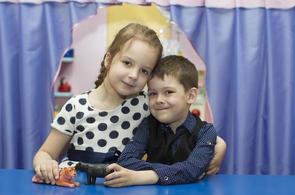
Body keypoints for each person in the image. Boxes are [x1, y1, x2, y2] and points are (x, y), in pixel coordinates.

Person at [33, 23, 226, 185]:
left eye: (144, 71)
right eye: (127, 63)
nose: (134, 75)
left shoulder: (148, 105)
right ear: (109, 59)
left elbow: (197, 132)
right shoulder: (76, 106)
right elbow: (45, 152)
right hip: (75, 189)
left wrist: (221, 146)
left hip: (125, 190)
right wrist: (45, 163)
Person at [104, 55, 221, 187]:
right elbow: (125, 161)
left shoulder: (206, 132)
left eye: (168, 92)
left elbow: (192, 170)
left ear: (190, 96)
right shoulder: (148, 125)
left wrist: (143, 176)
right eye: (153, 93)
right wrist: (177, 170)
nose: (159, 100)